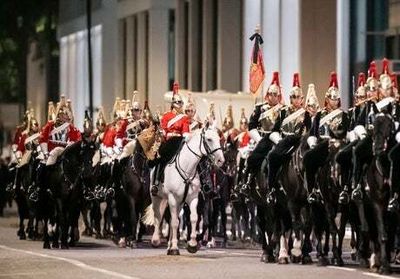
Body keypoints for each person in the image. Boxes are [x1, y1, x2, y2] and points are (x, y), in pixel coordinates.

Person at [303, 72, 348, 203]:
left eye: (336, 99)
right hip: (323, 145)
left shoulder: (344, 115)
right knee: (308, 158)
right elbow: (313, 133)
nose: (334, 101)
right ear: (327, 99)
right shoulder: (319, 115)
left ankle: (346, 188)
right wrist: (312, 144)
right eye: (332, 98)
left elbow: (347, 131)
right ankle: (312, 190)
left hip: (339, 145)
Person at [266, 73, 310, 203]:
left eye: (298, 97)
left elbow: (310, 130)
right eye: (293, 97)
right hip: (285, 141)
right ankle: (272, 189)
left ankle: (315, 189)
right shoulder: (283, 112)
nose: (296, 100)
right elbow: (274, 130)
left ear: (302, 99)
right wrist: (279, 141)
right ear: (290, 98)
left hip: (301, 142)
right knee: (272, 156)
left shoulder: (305, 114)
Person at [29, 96, 81, 201]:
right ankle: (37, 188)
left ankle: (83, 191)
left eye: (66, 115)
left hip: (65, 152)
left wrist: (70, 146)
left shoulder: (71, 128)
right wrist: (45, 152)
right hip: (48, 152)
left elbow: (77, 140)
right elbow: (43, 139)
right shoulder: (50, 125)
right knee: (38, 164)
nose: (64, 117)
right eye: (62, 114)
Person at [241, 72, 284, 192]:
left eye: (275, 94)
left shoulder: (283, 110)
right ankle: (247, 181)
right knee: (252, 159)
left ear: (279, 96)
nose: (272, 97)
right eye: (270, 94)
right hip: (261, 139)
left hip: (278, 140)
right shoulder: (259, 108)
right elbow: (251, 126)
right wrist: (259, 139)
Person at [150, 82, 190, 196]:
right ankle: (156, 182)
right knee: (161, 157)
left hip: (179, 142)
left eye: (181, 102)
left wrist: (186, 136)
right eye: (178, 102)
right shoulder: (167, 116)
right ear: (173, 103)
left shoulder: (184, 118)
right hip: (168, 141)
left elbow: (185, 132)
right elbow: (163, 130)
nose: (180, 104)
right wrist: (164, 135)